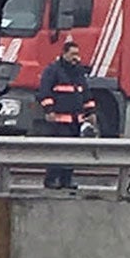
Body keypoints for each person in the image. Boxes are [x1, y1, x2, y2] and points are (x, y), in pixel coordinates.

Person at [35, 37, 95, 191]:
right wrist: (49, 110)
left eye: (77, 54)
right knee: (58, 151)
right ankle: (51, 180)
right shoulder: (53, 70)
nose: (76, 57)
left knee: (72, 152)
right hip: (59, 120)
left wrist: (91, 112)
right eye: (72, 54)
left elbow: (85, 94)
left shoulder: (78, 73)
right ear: (64, 54)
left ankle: (66, 180)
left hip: (76, 121)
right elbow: (44, 92)